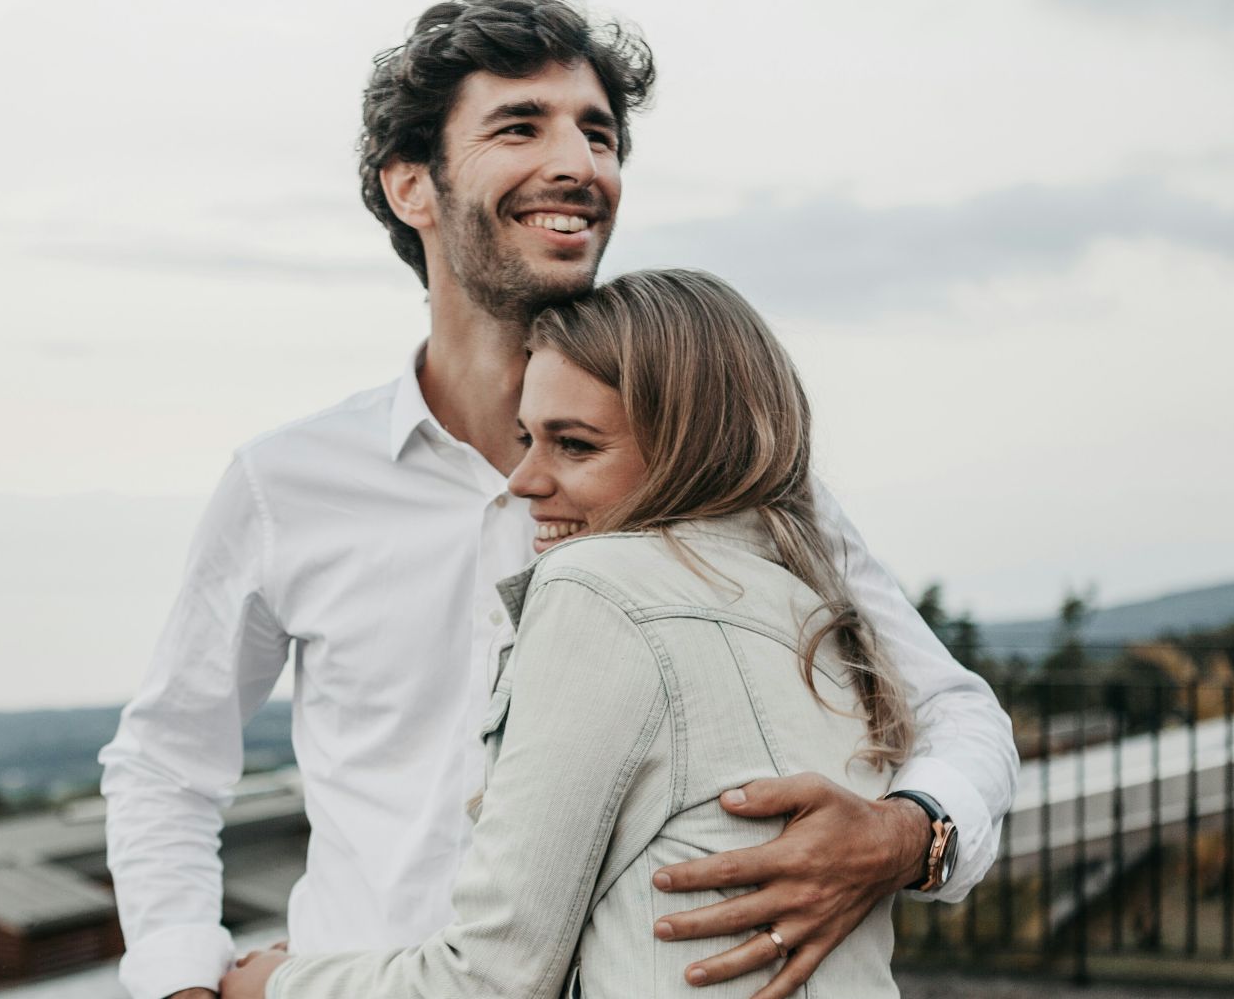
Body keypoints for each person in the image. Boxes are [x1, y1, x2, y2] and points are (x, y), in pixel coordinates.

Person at [99, 0, 1017, 999]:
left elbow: (954, 712)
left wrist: (905, 836)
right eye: (520, 126)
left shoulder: (723, 468)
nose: (580, 165)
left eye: (599, 133)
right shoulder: (287, 483)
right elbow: (167, 764)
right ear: (413, 186)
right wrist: (184, 977)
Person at [218, 268, 922, 999]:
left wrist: (273, 984)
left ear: (690, 449)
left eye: (575, 446)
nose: (523, 479)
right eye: (528, 438)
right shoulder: (819, 608)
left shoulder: (597, 590)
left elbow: (492, 980)